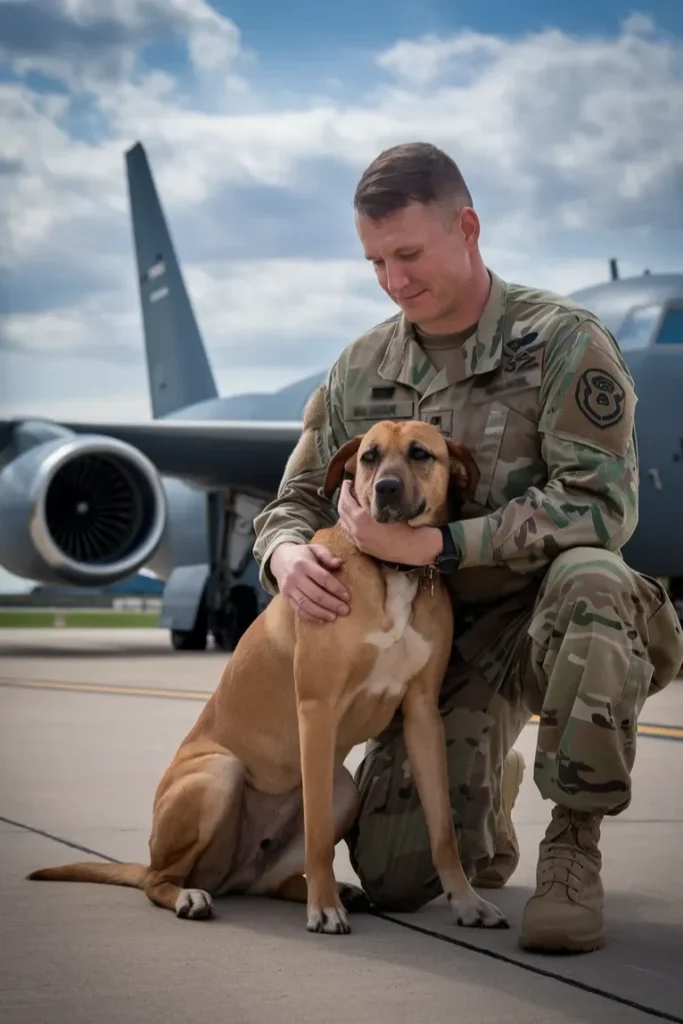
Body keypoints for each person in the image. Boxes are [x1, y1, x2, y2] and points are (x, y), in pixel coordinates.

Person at [251, 142, 683, 953]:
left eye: (408, 254)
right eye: (375, 260)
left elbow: (599, 504)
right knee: (392, 878)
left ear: (468, 228)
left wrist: (437, 546)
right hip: (437, 653)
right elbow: (296, 498)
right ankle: (486, 791)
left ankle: (571, 848)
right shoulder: (360, 367)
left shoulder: (561, 341)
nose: (393, 279)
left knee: (592, 578)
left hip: (542, 621)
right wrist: (282, 554)